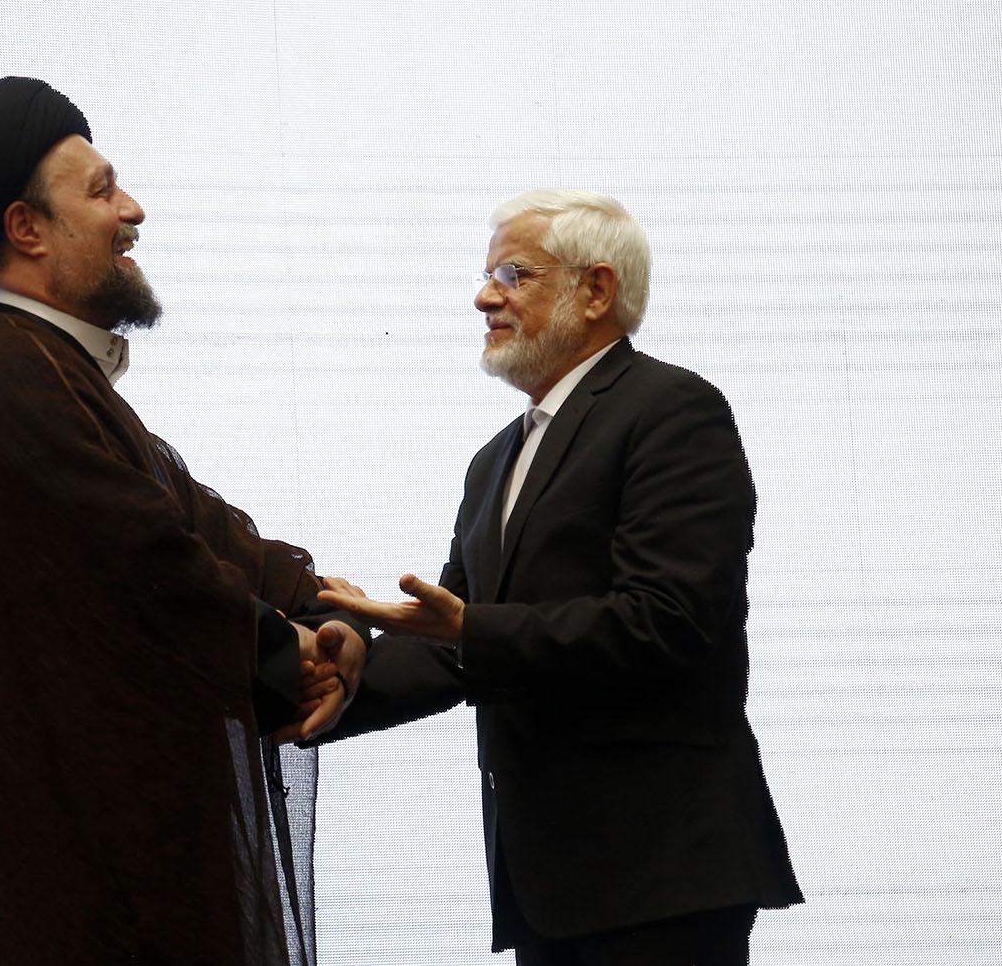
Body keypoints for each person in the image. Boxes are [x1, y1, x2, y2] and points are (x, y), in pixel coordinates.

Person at [0, 76, 361, 964]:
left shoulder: (40, 366)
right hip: (0, 909)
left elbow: (191, 518)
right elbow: (149, 569)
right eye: (102, 190)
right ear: (27, 229)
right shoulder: (0, 373)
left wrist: (318, 601)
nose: (133, 210)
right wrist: (294, 656)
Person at [316, 190, 802, 965]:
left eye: (513, 274)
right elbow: (452, 639)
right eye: (486, 276)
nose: (484, 297)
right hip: (546, 880)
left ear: (597, 290)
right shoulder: (493, 461)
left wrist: (469, 627)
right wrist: (329, 683)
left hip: (662, 875)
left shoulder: (673, 409)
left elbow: (666, 619)